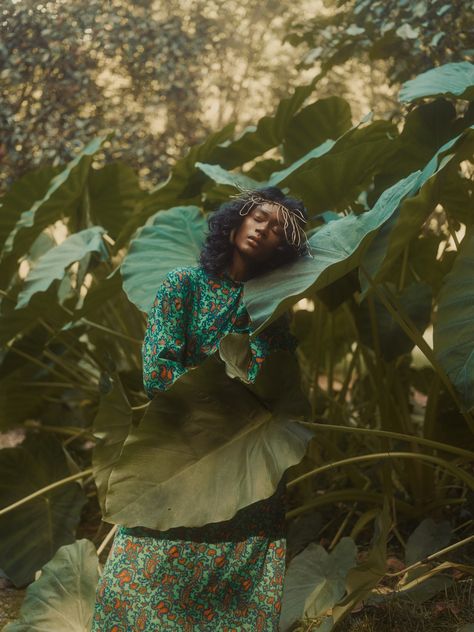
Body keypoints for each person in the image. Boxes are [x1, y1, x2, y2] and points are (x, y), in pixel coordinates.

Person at [91, 186, 310, 632]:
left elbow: (276, 385)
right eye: (259, 218)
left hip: (243, 449)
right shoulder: (183, 285)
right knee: (146, 563)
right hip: (185, 445)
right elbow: (156, 371)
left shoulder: (270, 308)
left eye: (275, 231)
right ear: (237, 221)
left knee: (236, 574)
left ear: (281, 250)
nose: (263, 230)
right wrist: (212, 403)